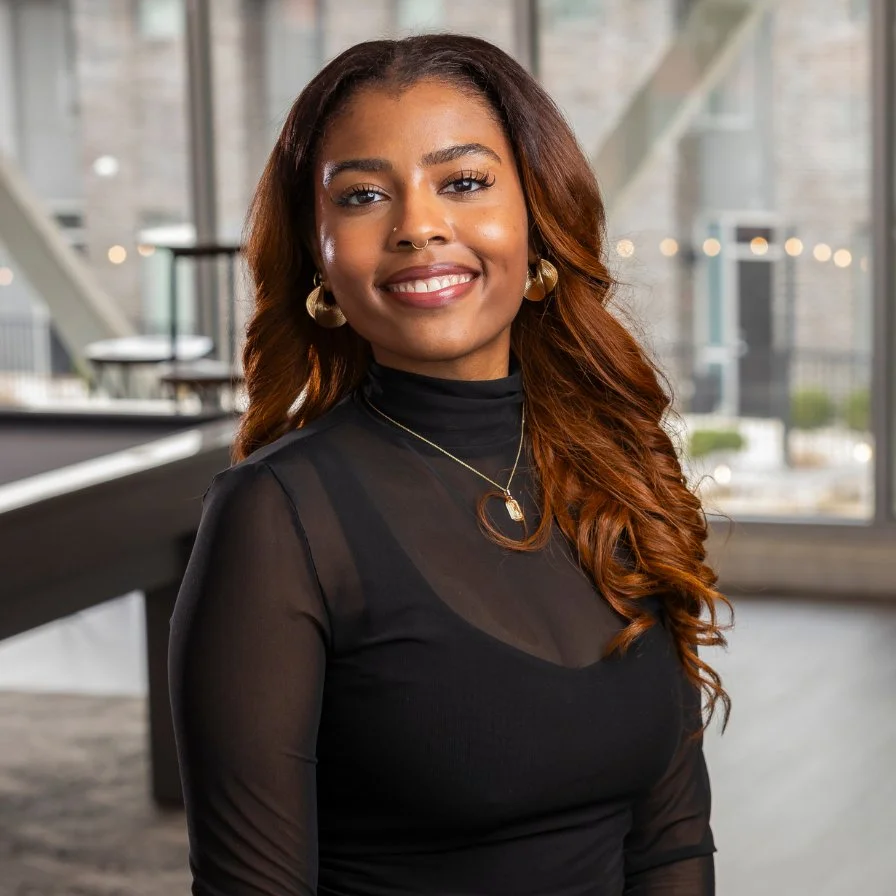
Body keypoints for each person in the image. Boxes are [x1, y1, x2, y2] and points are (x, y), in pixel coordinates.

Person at [168, 33, 731, 896]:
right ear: (320, 258)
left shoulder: (617, 470)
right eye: (362, 196)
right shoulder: (275, 519)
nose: (419, 226)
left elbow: (671, 844)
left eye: (463, 182)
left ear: (537, 221)